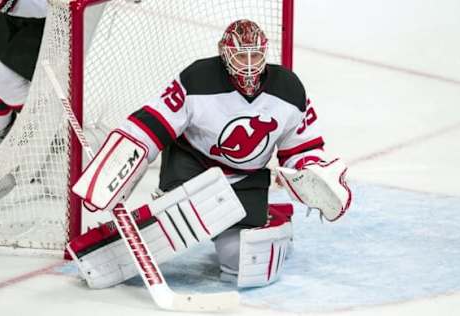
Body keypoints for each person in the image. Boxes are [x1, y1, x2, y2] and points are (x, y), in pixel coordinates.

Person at [68, 19, 352, 289]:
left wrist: (311, 171)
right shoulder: (197, 78)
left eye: (255, 56)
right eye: (242, 57)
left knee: (242, 263)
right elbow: (155, 122)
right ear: (225, 54)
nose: (250, 65)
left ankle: (276, 220)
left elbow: (301, 146)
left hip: (246, 178)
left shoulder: (289, 88)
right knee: (182, 216)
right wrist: (121, 162)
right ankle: (170, 205)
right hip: (193, 166)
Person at [0, 1, 46, 143]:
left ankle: (43, 131)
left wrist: (10, 2)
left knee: (5, 79)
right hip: (14, 14)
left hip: (50, 17)